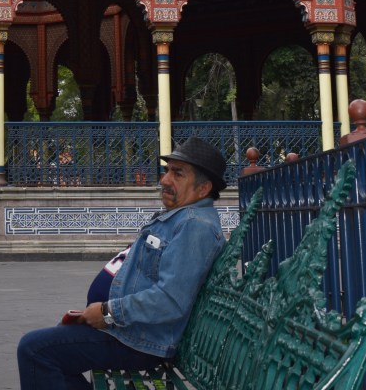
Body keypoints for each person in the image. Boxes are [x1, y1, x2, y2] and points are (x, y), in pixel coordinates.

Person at [17, 137, 228, 390]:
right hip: (126, 330)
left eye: (178, 174)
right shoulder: (182, 216)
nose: (165, 180)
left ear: (203, 189)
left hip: (139, 341)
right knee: (45, 350)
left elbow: (171, 300)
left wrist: (108, 312)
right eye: (167, 171)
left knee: (35, 350)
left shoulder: (195, 226)